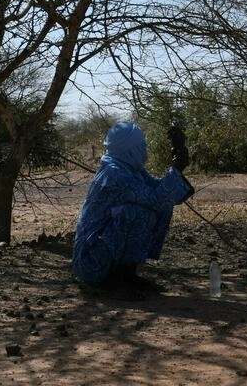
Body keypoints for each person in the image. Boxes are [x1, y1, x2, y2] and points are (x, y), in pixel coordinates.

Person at [72, 121, 194, 300]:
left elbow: (163, 195)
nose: (145, 151)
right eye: (141, 146)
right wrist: (176, 168)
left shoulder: (128, 169)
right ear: (129, 149)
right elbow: (155, 198)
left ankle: (127, 276)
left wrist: (177, 159)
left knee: (159, 207)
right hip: (91, 263)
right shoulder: (114, 174)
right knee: (135, 212)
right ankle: (115, 280)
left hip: (99, 256)